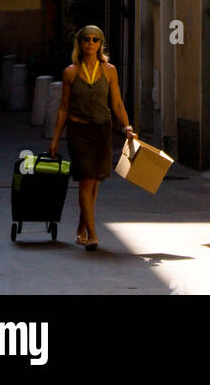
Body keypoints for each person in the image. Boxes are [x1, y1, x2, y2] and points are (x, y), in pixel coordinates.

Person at [48, 24, 135, 250]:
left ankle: (81, 227)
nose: (90, 43)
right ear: (80, 43)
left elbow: (116, 103)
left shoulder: (109, 71)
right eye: (86, 39)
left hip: (101, 131)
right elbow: (63, 108)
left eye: (95, 40)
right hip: (78, 132)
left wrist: (127, 126)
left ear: (100, 44)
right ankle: (93, 234)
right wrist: (55, 139)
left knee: (95, 182)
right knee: (85, 180)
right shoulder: (70, 72)